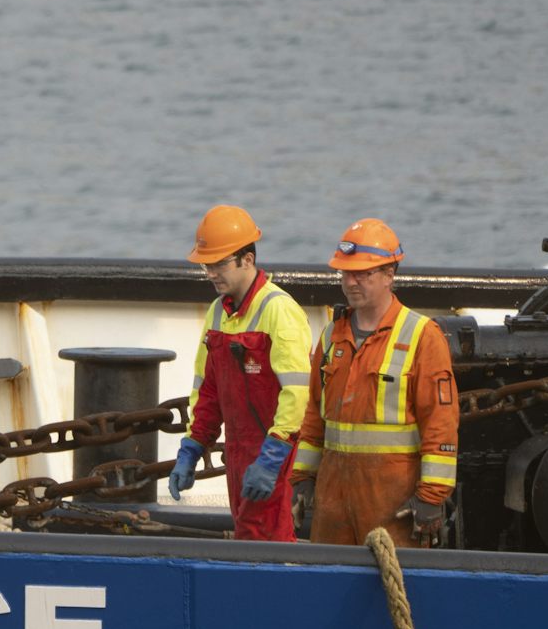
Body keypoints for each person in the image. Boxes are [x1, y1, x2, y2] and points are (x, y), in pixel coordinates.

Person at [291, 219, 459, 546]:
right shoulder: (331, 336)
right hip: (333, 502)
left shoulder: (422, 337)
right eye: (345, 273)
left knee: (392, 576)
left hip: (393, 504)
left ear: (389, 275)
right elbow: (315, 414)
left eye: (362, 274)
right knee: (330, 575)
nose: (350, 282)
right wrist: (302, 478)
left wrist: (431, 496)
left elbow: (440, 422)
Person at [166, 204, 313, 542]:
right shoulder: (218, 313)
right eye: (206, 265)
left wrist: (272, 458)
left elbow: (297, 394)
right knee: (250, 540)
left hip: (277, 456)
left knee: (271, 546)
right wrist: (192, 446)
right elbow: (208, 390)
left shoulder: (279, 310)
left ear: (247, 259)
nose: (211, 273)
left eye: (219, 264)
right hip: (241, 455)